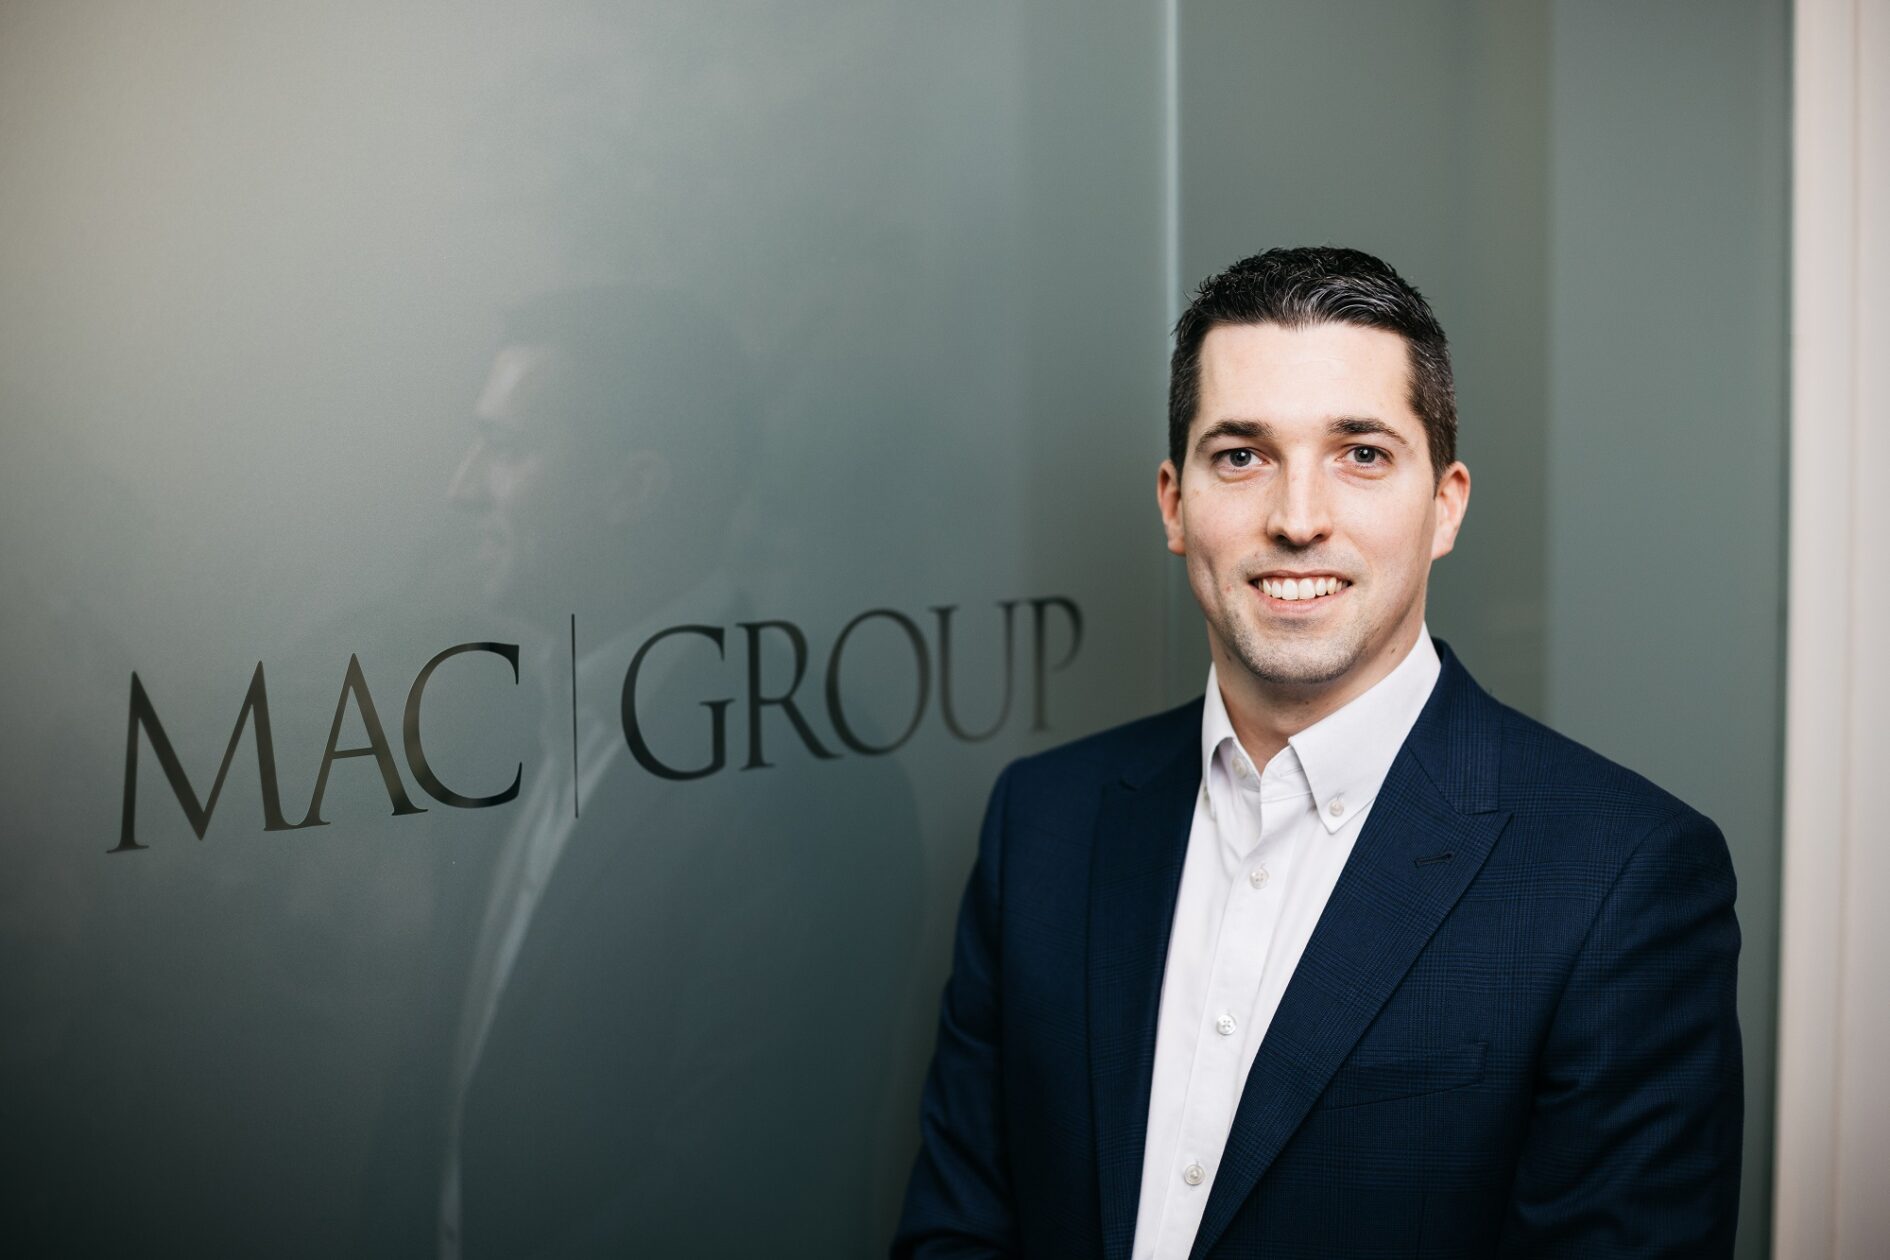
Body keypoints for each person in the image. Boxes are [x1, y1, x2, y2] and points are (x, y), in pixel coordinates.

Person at [893, 246, 1743, 1258]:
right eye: (1241, 455)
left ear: (1448, 505)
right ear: (1174, 503)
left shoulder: (1624, 878)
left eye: (1364, 454)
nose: (1298, 520)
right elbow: (959, 1232)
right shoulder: (1045, 820)